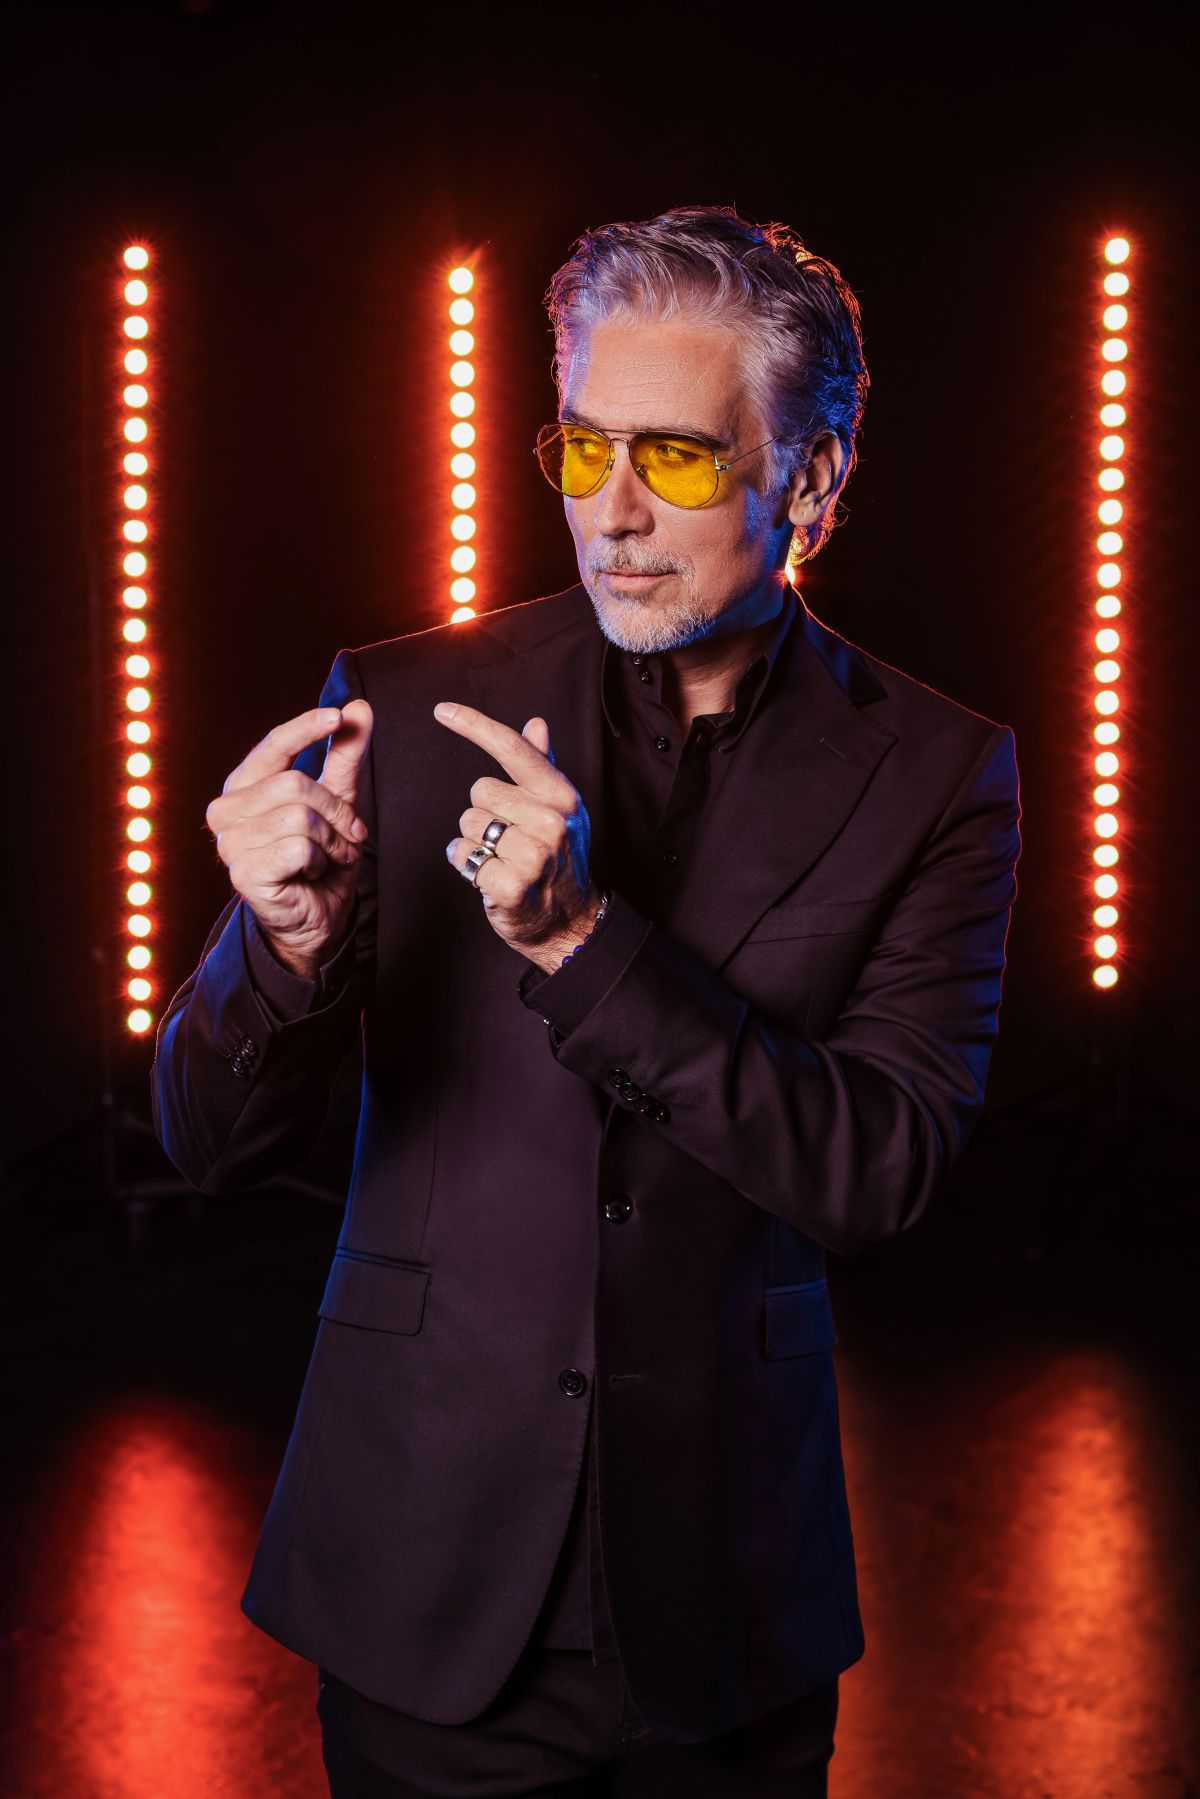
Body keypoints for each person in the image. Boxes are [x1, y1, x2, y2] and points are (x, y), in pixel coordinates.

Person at [152, 204, 1022, 1797]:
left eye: (675, 458)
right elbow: (206, 1145)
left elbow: (878, 1168)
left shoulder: (938, 771)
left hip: (726, 1599)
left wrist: (582, 943)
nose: (611, 513)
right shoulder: (407, 703)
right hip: (422, 1563)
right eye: (581, 449)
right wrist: (280, 945)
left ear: (811, 480)